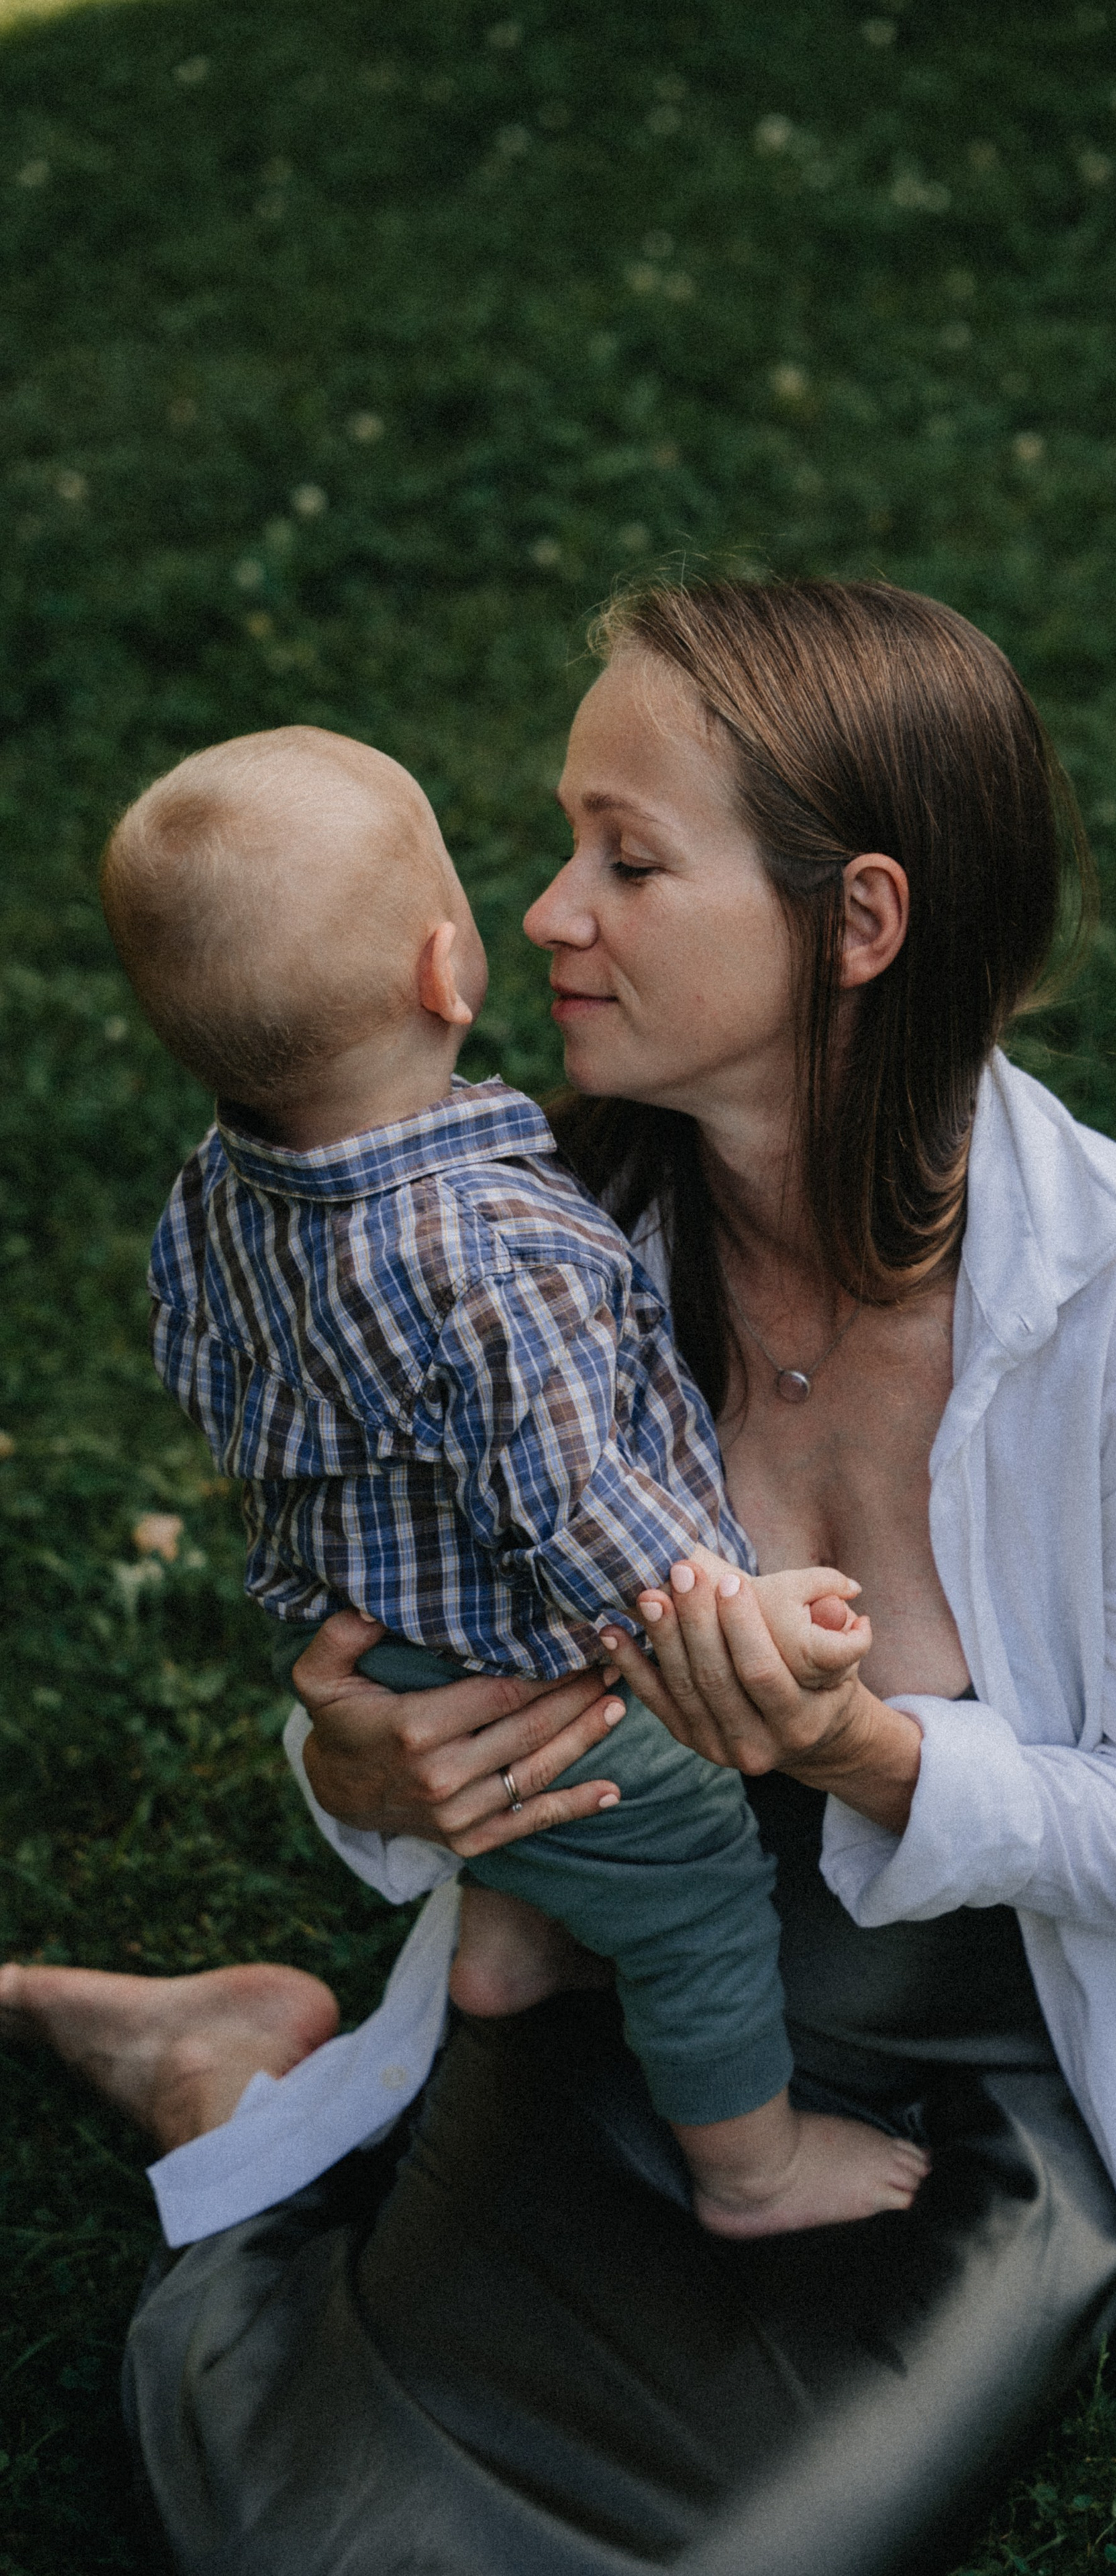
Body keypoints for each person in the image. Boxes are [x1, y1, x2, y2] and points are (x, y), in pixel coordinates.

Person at [2, 578, 1116, 2576]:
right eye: (555, 841)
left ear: (858, 924)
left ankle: (238, 2068)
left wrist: (868, 1753)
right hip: (606, 1961)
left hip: (975, 2055)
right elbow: (378, 1603)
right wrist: (356, 1771)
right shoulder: (534, 1228)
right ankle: (235, 2062)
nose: (543, 912)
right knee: (302, 2513)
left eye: (627, 857)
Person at [97, 722, 926, 2238]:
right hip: (536, 1657)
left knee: (552, 1823)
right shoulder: (495, 1252)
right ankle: (749, 2169)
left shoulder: (215, 1192)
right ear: (442, 971)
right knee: (689, 1883)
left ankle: (509, 1949)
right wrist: (739, 1610)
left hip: (389, 1633)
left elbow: (204, 1362)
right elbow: (577, 1505)